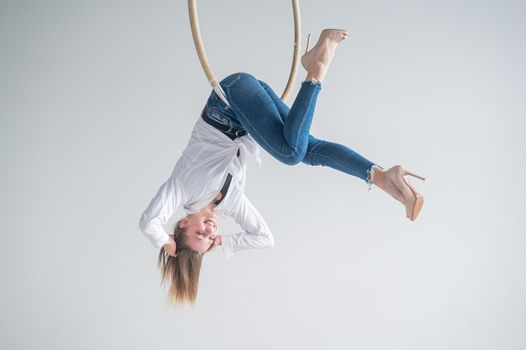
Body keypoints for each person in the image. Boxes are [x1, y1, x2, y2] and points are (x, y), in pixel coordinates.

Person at [138, 29, 425, 303]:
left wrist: (167, 244)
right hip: (248, 112)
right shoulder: (230, 204)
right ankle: (382, 176)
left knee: (291, 153)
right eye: (208, 238)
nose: (209, 231)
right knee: (308, 151)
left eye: (199, 233)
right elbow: (264, 238)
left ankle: (317, 68)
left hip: (230, 98)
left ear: (183, 222)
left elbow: (148, 222)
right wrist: (222, 243)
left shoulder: (182, 189)